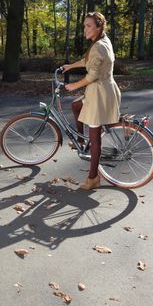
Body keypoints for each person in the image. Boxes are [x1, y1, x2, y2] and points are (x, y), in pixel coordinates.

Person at [62, 12, 121, 190]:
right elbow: (88, 61)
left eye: (88, 25)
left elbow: (93, 75)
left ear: (98, 28)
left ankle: (93, 178)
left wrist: (74, 86)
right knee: (75, 105)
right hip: (105, 89)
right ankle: (81, 142)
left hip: (99, 92)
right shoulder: (102, 41)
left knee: (95, 139)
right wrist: (70, 66)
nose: (84, 29)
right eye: (84, 25)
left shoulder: (97, 47)